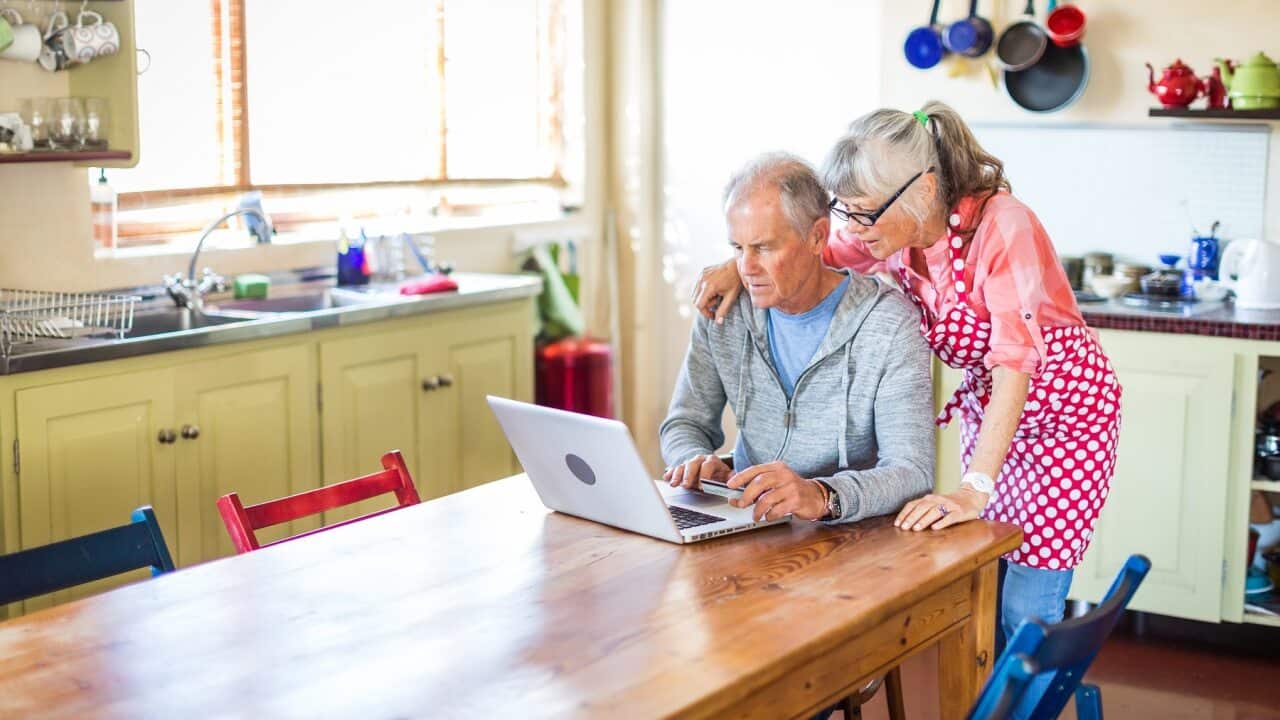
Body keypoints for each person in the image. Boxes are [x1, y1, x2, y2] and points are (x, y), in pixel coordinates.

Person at [694, 103, 1122, 715]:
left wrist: (974, 487)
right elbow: (813, 249)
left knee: (1028, 606)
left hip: (1064, 421)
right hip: (996, 416)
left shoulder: (1005, 226)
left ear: (921, 189)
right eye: (846, 209)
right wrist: (736, 264)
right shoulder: (890, 233)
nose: (855, 226)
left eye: (864, 210)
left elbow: (1014, 366)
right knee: (985, 580)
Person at [660, 152, 933, 526]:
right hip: (748, 528)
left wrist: (821, 495)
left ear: (818, 236)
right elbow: (684, 424)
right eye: (738, 249)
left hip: (852, 542)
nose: (746, 268)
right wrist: (692, 460)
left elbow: (913, 470)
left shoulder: (888, 324)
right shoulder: (724, 311)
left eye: (765, 247)